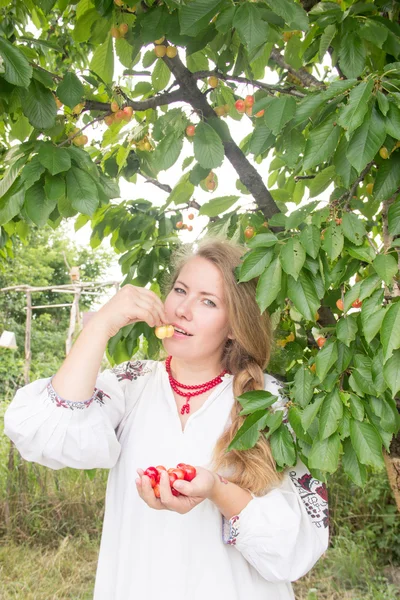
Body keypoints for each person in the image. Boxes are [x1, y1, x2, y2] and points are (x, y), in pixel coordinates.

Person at [4, 237, 329, 600]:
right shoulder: (131, 385)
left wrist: (217, 491)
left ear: (235, 325)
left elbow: (294, 549)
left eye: (208, 301)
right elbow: (42, 433)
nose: (183, 310)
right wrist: (99, 328)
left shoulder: (272, 404)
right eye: (180, 290)